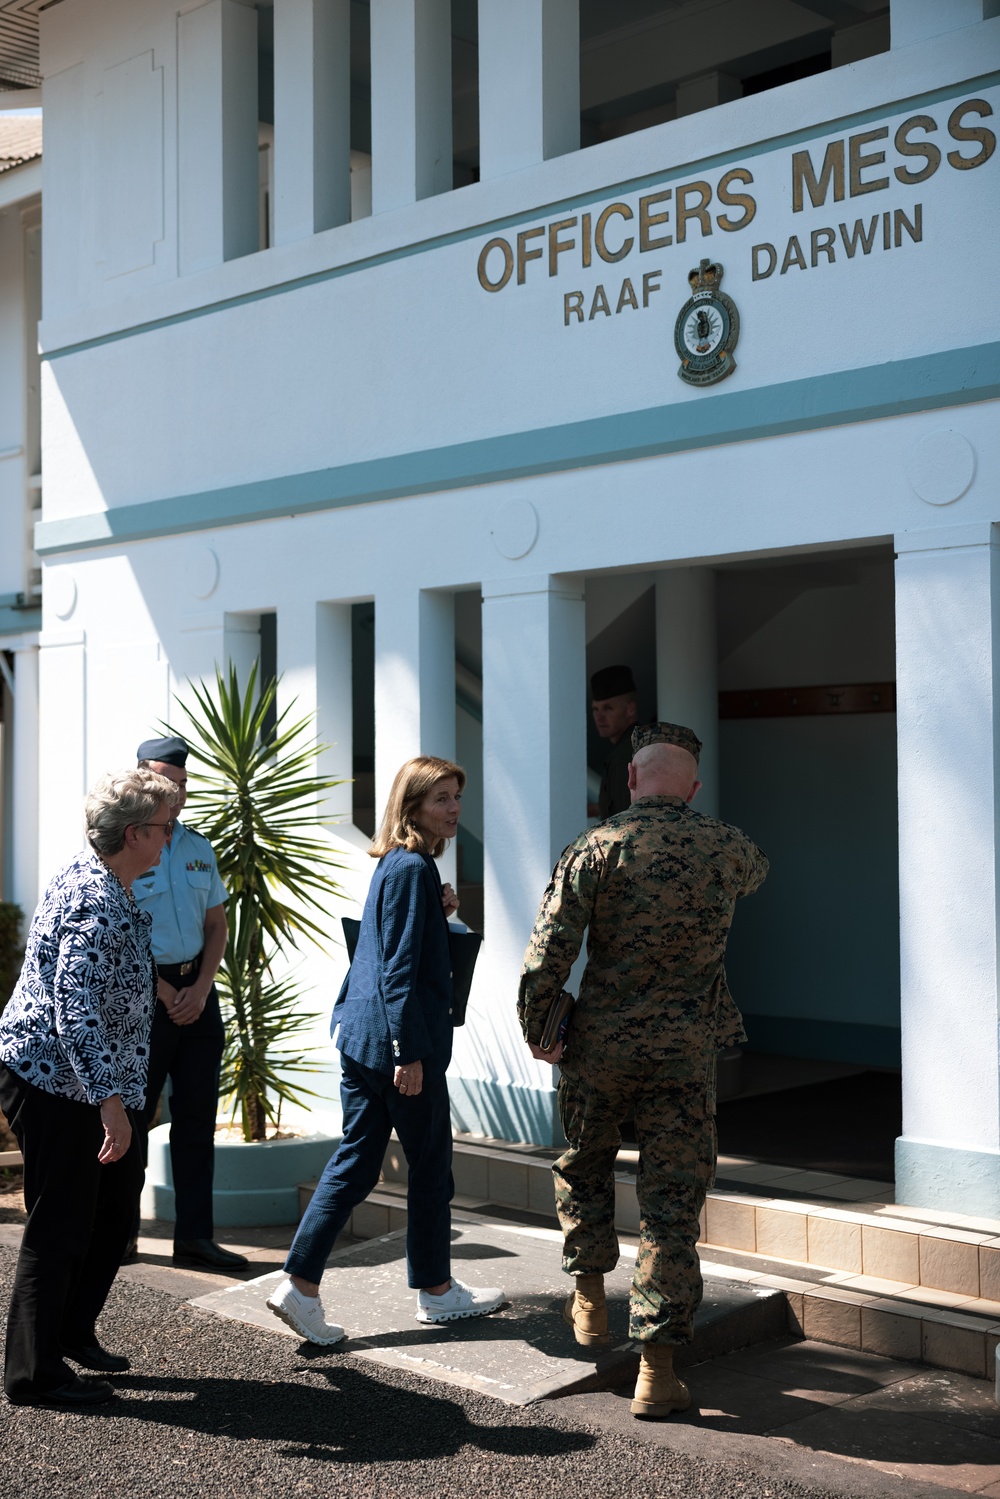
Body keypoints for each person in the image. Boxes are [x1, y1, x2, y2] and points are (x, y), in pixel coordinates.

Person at [518, 722, 768, 1419]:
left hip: (599, 1046)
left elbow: (548, 953)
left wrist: (540, 1028)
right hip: (684, 1053)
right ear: (691, 787)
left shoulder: (595, 847)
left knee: (585, 1160)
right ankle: (656, 1372)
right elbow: (757, 871)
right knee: (670, 1205)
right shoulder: (726, 845)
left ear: (630, 779)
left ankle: (591, 1290)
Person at [267, 756, 504, 1344]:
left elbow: (385, 945)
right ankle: (437, 1292)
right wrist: (408, 1053)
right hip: (397, 1048)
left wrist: (438, 914)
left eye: (456, 797)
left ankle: (299, 1287)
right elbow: (396, 971)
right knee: (429, 1167)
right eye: (442, 799)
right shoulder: (409, 869)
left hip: (362, 1040)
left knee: (356, 1164)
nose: (454, 809)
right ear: (413, 806)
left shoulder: (403, 867)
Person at [0, 768, 180, 1407]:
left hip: (100, 1082)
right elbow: (72, 1011)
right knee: (62, 1223)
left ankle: (72, 1331)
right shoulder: (93, 899)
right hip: (59, 1084)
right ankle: (34, 1373)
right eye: (163, 827)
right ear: (133, 834)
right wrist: (111, 1103)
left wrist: (126, 1092)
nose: (170, 837)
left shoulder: (112, 878)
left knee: (111, 1211)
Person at [129, 735, 247, 1272]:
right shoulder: (127, 843)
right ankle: (118, 1235)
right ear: (139, 782)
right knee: (130, 1118)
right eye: (162, 784)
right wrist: (164, 991)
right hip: (143, 995)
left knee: (197, 1122)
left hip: (198, 996)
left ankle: (195, 1238)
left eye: (180, 785)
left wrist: (199, 988)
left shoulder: (199, 847)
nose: (173, 795)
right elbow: (119, 932)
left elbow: (217, 924)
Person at [587, 664, 639, 819]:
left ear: (630, 709)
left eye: (608, 708)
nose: (599, 717)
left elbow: (624, 818)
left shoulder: (625, 756)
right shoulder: (639, 743)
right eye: (595, 709)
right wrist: (599, 808)